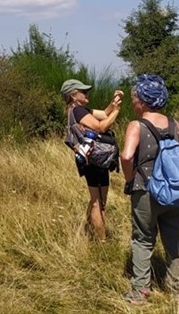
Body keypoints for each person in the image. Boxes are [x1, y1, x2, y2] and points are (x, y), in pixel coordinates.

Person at [120, 74, 179, 305]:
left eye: (134, 98)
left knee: (143, 240)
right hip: (174, 193)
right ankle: (177, 291)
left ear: (142, 100)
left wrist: (130, 177)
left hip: (145, 191)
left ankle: (140, 292)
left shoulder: (137, 125)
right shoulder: (174, 125)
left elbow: (127, 155)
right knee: (174, 240)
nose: (133, 103)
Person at [61, 78, 123, 241]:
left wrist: (113, 103)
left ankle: (89, 230)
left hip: (93, 158)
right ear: (73, 95)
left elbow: (103, 113)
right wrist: (116, 112)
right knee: (98, 202)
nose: (87, 93)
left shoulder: (78, 109)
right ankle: (101, 240)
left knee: (100, 200)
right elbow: (101, 126)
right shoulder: (78, 111)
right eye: (83, 91)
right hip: (93, 160)